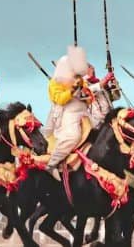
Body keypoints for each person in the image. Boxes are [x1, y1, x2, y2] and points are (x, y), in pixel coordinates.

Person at [44, 45, 91, 180]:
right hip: (67, 114)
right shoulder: (54, 83)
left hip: (84, 114)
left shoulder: (81, 81)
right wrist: (72, 89)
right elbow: (60, 99)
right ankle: (52, 164)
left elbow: (89, 99)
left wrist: (83, 90)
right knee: (73, 136)